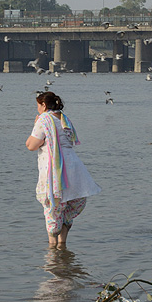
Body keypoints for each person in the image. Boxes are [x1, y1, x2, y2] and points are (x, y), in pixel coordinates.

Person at [26, 92, 101, 247]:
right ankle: (63, 246)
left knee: (53, 206)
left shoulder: (44, 119)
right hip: (74, 169)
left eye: (38, 105)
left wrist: (35, 124)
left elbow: (31, 145)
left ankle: (53, 252)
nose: (38, 109)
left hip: (55, 170)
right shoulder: (64, 119)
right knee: (67, 206)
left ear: (44, 105)